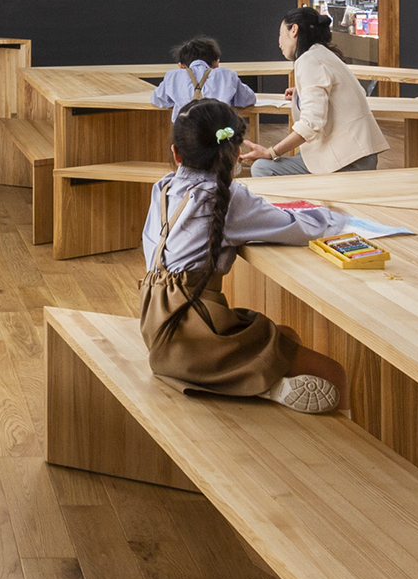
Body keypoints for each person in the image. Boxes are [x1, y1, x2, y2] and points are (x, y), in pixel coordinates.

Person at [141, 98, 349, 415]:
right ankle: (251, 383)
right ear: (236, 153)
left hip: (158, 331)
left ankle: (260, 385)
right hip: (197, 337)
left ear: (176, 153)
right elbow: (297, 228)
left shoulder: (163, 188)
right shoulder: (226, 197)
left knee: (286, 336)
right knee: (333, 373)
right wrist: (336, 215)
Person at [241, 5, 388, 178]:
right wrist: (301, 91)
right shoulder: (322, 54)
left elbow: (311, 124)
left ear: (294, 30)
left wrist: (271, 152)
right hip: (357, 153)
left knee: (262, 168)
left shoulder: (309, 60)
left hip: (348, 160)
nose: (279, 42)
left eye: (280, 34)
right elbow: (346, 91)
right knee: (298, 157)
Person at [150, 36, 256, 111]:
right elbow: (248, 99)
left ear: (181, 66)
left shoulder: (172, 76)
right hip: (219, 128)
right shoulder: (227, 75)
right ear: (216, 63)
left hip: (186, 129)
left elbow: (158, 100)